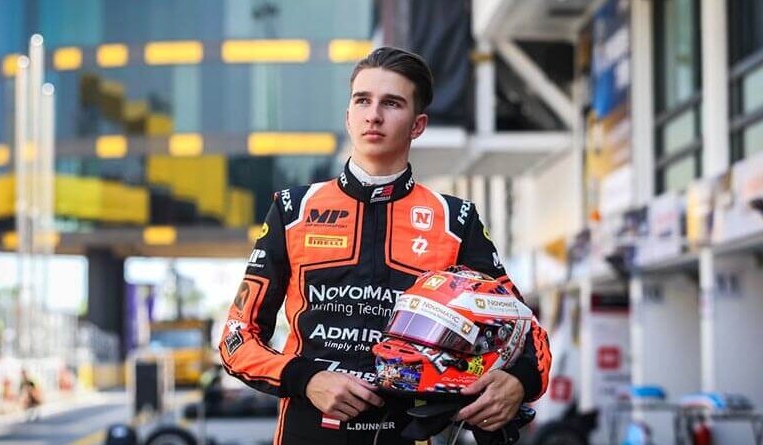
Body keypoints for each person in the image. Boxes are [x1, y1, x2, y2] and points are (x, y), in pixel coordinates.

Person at [218, 47, 551, 445]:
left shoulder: (455, 220)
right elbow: (236, 339)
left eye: (392, 103)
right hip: (307, 432)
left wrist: (519, 381)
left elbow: (524, 330)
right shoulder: (293, 210)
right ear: (348, 116)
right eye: (363, 100)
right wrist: (305, 378)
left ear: (418, 125)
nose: (373, 115)